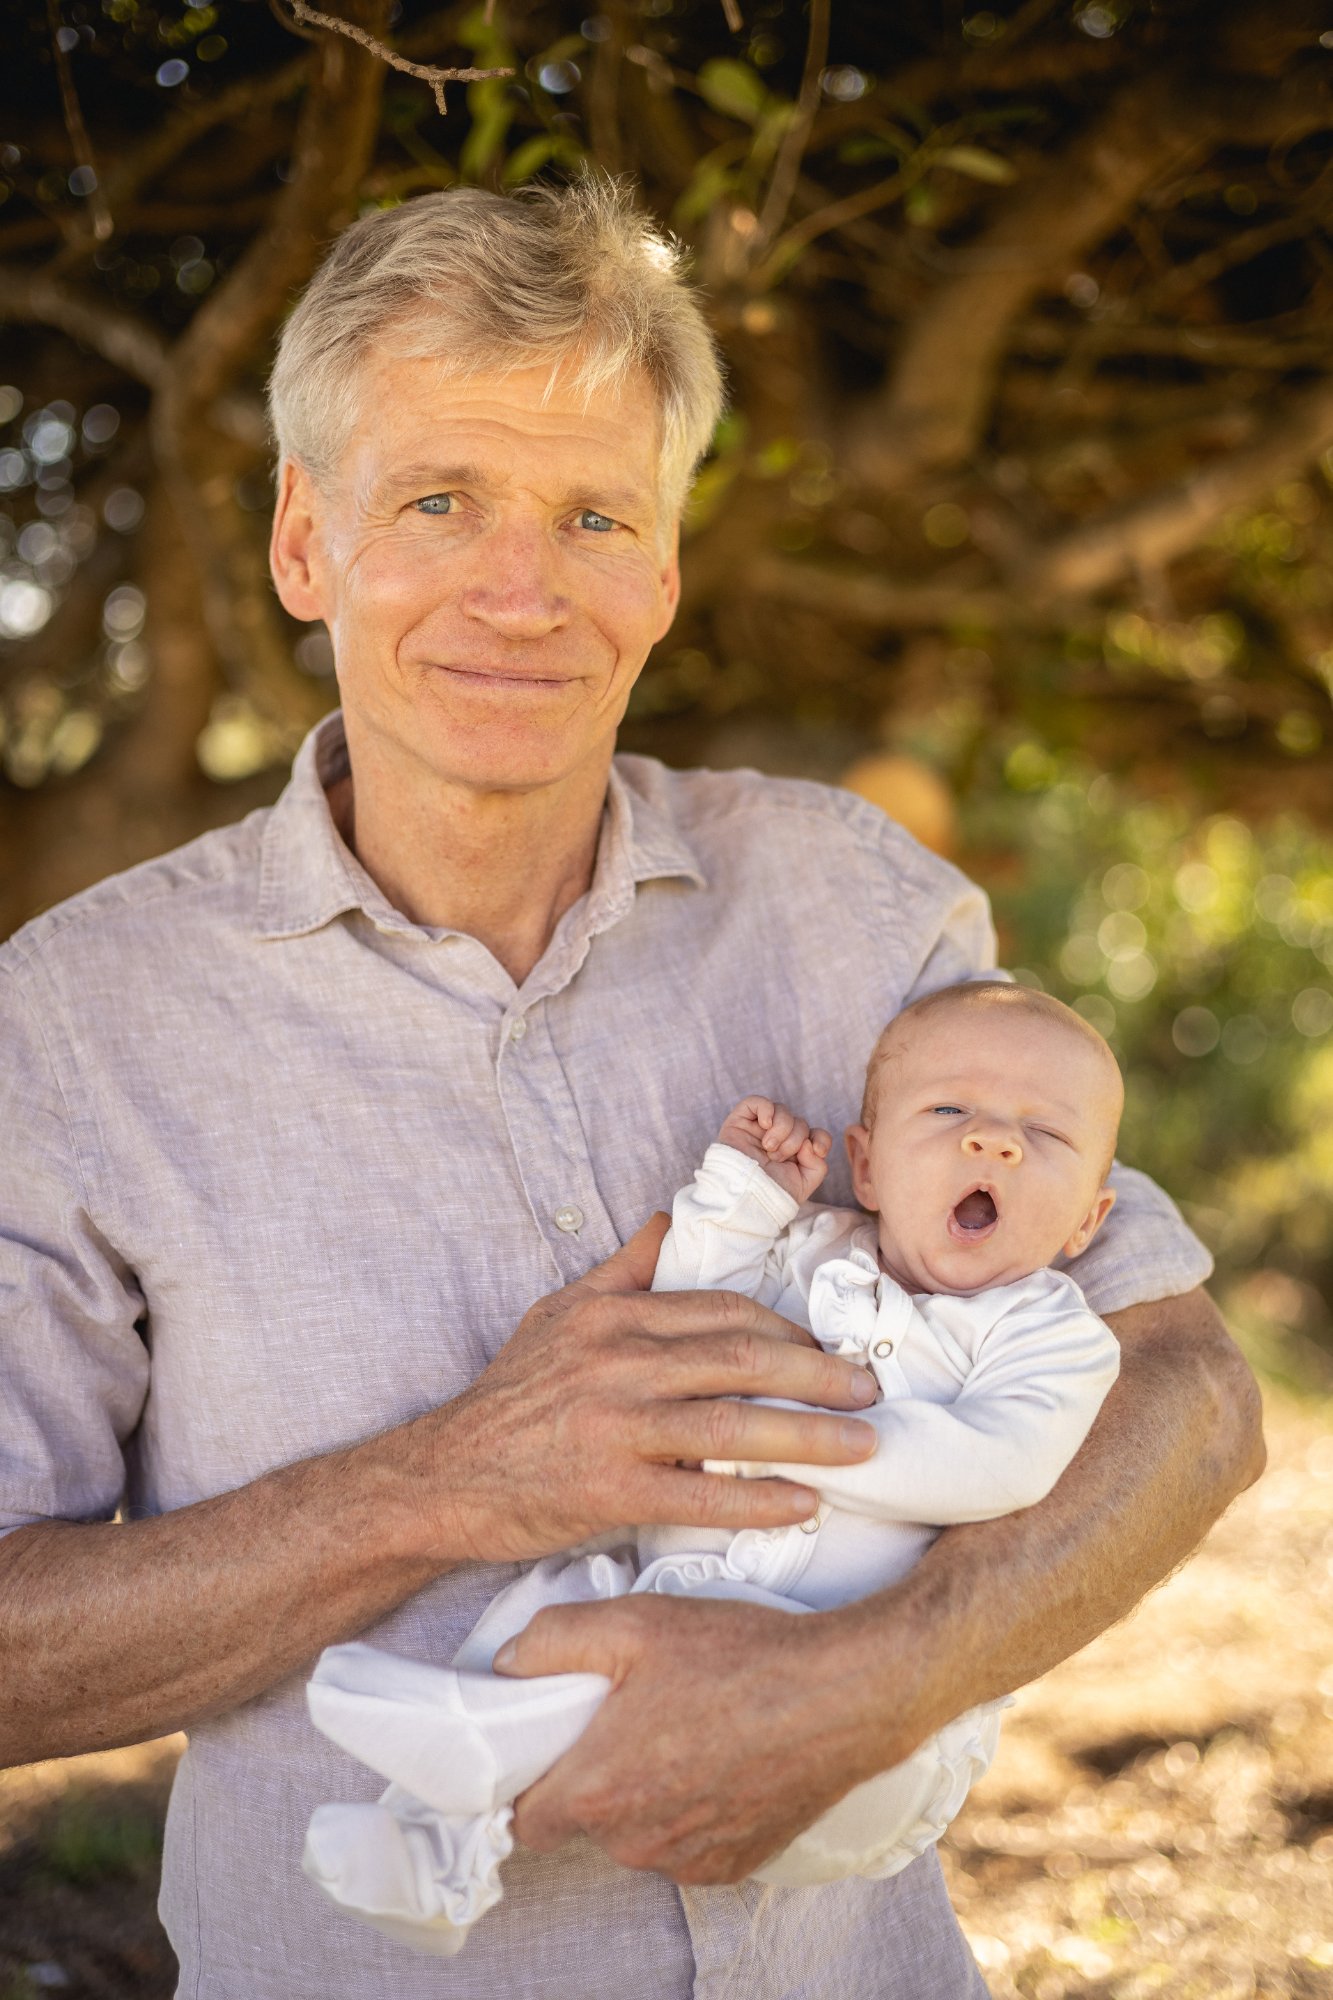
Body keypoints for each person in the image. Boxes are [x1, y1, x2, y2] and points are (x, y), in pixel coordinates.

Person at [0, 179, 1262, 2000]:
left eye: (593, 515)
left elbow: (1192, 1396)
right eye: (439, 501)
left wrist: (860, 1688)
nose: (520, 591)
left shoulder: (855, 906)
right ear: (302, 540)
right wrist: (445, 1484)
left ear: (662, 573)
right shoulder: (70, 1022)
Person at [299, 982, 1126, 1955]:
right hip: (676, 1595)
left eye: (1044, 1132)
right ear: (864, 1164)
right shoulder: (806, 1250)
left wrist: (794, 1441)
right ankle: (435, 1842)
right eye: (949, 1110)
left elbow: (1002, 1460)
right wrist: (740, 1195)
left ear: (1085, 1219)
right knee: (566, 1607)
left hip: (849, 1693)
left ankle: (473, 1742)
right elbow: (686, 1315)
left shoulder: (1047, 1329)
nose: (992, 1141)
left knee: (660, 1673)